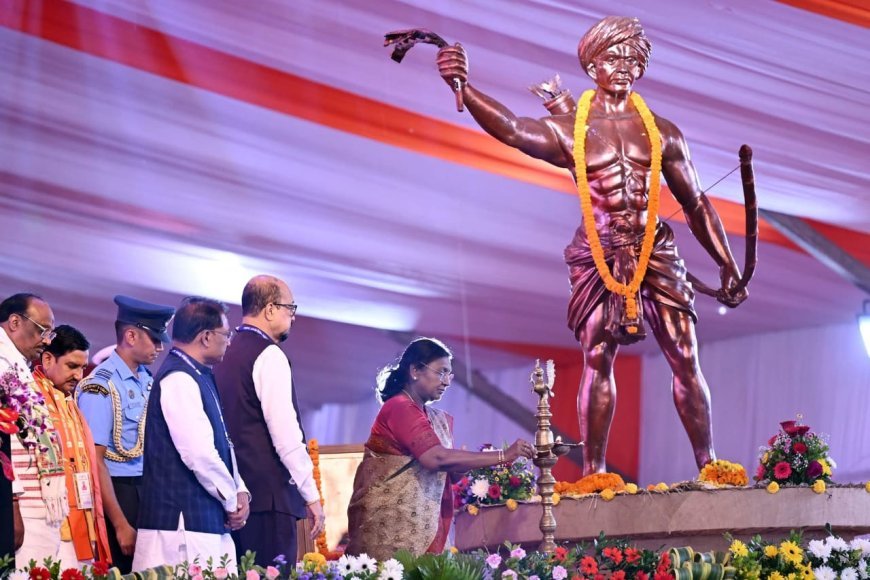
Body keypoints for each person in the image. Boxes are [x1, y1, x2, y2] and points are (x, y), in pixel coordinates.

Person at [435, 16, 747, 475]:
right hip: (598, 252)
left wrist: (727, 263)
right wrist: (464, 85)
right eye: (612, 57)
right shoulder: (571, 130)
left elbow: (696, 202)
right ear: (591, 65)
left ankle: (709, 465)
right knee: (598, 356)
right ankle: (594, 472)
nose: (623, 67)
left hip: (654, 249)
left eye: (632, 59)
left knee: (685, 354)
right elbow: (514, 130)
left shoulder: (663, 131)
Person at [345, 337, 536, 560]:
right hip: (390, 528)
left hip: (422, 525)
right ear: (415, 371)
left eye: (449, 375)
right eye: (441, 372)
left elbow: (451, 475)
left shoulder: (431, 417)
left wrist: (472, 463)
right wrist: (503, 455)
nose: (446, 382)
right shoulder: (399, 407)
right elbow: (434, 458)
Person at [133, 297, 249, 572]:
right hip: (181, 524)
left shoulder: (199, 373)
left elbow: (222, 443)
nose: (229, 342)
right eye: (226, 334)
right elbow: (199, 454)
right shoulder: (179, 378)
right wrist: (231, 499)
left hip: (203, 520)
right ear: (206, 337)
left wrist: (240, 489)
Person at [214, 275, 324, 565]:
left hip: (232, 499)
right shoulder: (269, 354)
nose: (293, 317)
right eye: (291, 308)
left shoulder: (224, 352)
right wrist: (311, 496)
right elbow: (285, 435)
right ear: (271, 309)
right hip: (269, 500)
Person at [76, 295, 175, 573]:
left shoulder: (146, 379)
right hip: (120, 495)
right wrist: (120, 524)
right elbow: (96, 461)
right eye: (154, 339)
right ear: (131, 336)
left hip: (147, 490)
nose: (159, 347)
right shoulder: (100, 386)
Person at [31, 325, 112, 568]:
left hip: (80, 517)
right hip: (45, 521)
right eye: (72, 366)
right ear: (48, 359)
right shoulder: (31, 399)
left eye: (82, 368)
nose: (78, 376)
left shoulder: (69, 403)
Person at [0, 293, 61, 566]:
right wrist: (11, 504)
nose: (47, 341)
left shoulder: (17, 365)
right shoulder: (2, 364)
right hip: (17, 503)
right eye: (42, 330)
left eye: (50, 333)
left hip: (34, 504)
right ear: (15, 322)